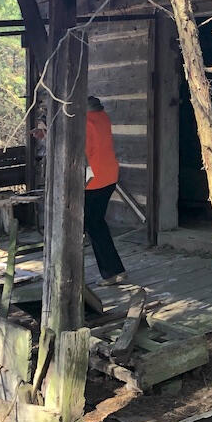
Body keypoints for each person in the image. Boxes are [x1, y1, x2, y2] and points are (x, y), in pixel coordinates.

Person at [85, 96, 126, 284]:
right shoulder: (103, 117)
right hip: (109, 175)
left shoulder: (86, 122)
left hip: (94, 178)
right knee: (96, 223)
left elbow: (80, 149)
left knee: (93, 224)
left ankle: (112, 272)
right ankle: (114, 270)